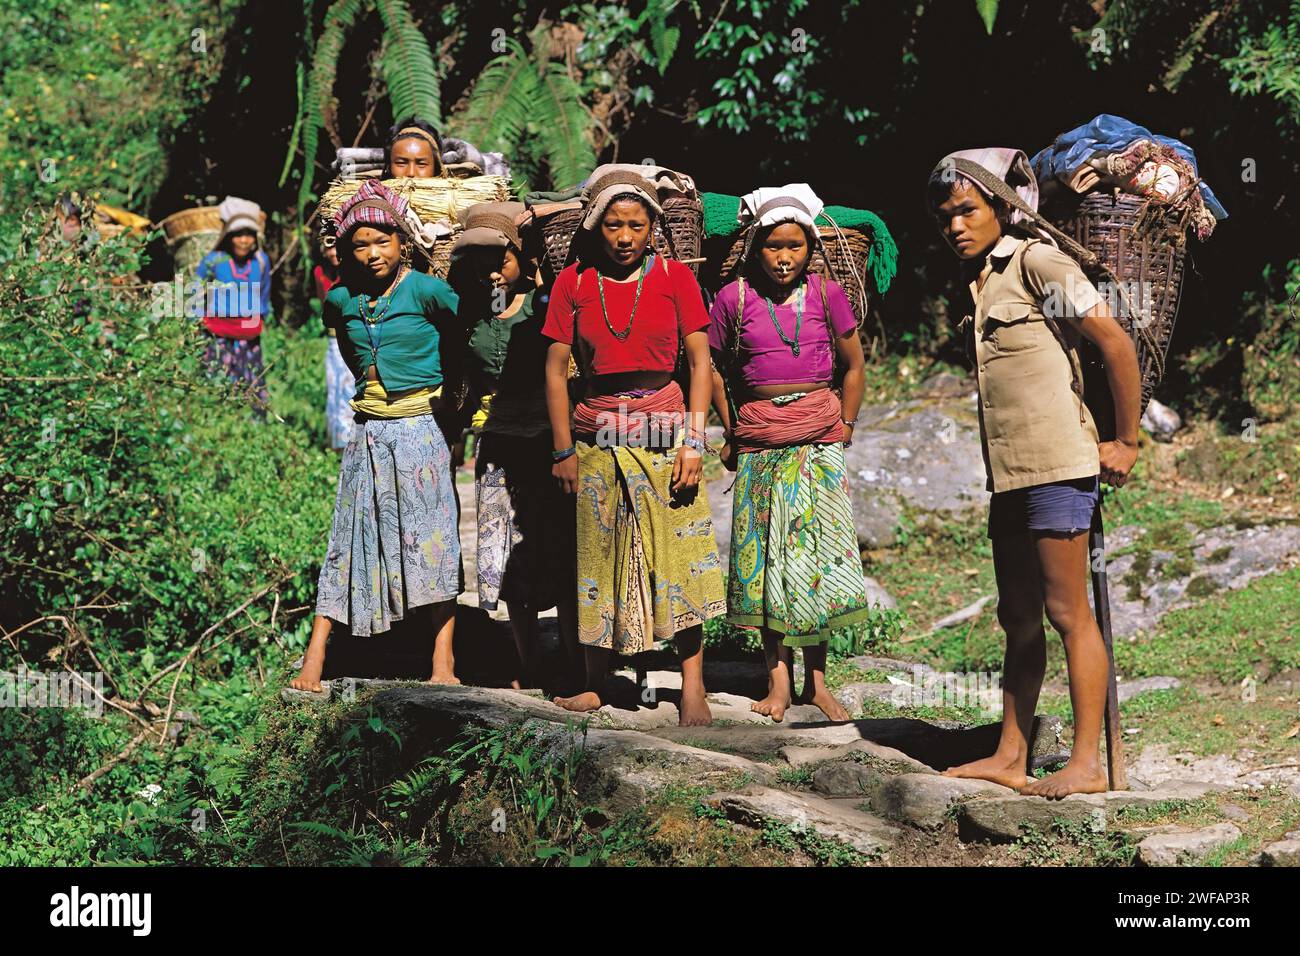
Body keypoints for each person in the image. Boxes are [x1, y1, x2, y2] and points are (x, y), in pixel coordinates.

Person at [927, 147, 1140, 797]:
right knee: (1018, 615)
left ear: (1001, 207)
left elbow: (1113, 341)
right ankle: (1010, 754)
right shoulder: (982, 279)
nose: (956, 226)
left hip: (1058, 466)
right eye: (945, 218)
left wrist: (1127, 440)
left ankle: (1085, 764)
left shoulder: (1037, 260)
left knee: (1067, 611)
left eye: (967, 211)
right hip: (1010, 473)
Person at [541, 167, 726, 727]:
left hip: (664, 429)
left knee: (680, 555)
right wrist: (562, 450)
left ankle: (692, 685)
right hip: (597, 432)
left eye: (637, 225)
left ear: (653, 229)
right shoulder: (573, 283)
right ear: (596, 227)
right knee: (598, 557)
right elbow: (553, 371)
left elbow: (699, 363)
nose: (624, 237)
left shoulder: (675, 279)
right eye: (615, 225)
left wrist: (696, 441)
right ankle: (598, 681)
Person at [708, 185, 871, 723]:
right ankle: (776, 681)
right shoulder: (733, 299)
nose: (784, 257)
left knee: (812, 562)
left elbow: (853, 364)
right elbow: (709, 366)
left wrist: (844, 422)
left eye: (794, 247)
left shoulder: (827, 296)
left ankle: (817, 684)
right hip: (760, 441)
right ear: (757, 248)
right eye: (774, 246)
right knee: (766, 564)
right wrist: (731, 429)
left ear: (810, 250)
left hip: (817, 441)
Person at [290, 180, 462, 691]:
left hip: (422, 431)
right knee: (349, 538)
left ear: (402, 243)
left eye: (381, 241)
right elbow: (349, 352)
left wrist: (451, 403)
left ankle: (443, 663)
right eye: (359, 244)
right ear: (345, 251)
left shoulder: (428, 291)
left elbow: (462, 338)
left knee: (433, 541)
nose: (371, 254)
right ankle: (315, 660)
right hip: (367, 432)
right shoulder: (341, 300)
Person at [449, 202, 578, 690]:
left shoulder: (544, 307)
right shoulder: (467, 316)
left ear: (523, 260)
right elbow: (457, 381)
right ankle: (529, 664)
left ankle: (572, 660)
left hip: (549, 444)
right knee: (507, 554)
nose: (491, 272)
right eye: (480, 263)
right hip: (498, 447)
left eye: (501, 259)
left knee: (560, 549)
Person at [195, 196, 272, 418]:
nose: (244, 241)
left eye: (249, 235)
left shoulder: (260, 262)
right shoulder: (214, 260)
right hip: (218, 334)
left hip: (248, 334)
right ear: (228, 237)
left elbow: (264, 292)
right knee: (218, 379)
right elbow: (196, 290)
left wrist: (262, 316)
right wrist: (196, 320)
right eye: (238, 235)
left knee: (253, 379)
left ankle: (254, 424)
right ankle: (220, 422)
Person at [314, 240, 354, 451]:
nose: (332, 252)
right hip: (332, 337)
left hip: (352, 336)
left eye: (335, 246)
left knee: (350, 387)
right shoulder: (320, 272)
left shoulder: (354, 271)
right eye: (328, 246)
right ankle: (337, 443)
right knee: (334, 387)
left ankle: (351, 440)